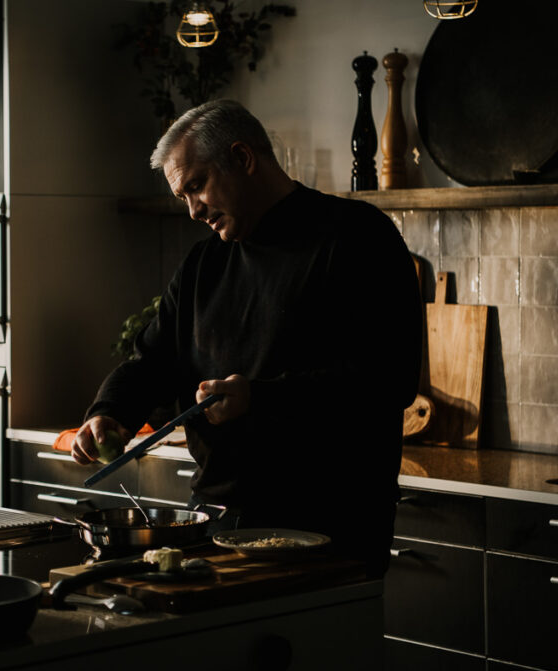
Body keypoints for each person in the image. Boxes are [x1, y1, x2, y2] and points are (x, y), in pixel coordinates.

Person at [70, 99, 422, 577]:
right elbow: (151, 361)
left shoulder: (357, 237)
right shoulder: (203, 265)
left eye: (197, 187)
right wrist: (109, 413)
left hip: (330, 526)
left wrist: (260, 399)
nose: (193, 211)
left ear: (243, 158)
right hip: (217, 516)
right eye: (183, 197)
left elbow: (388, 379)